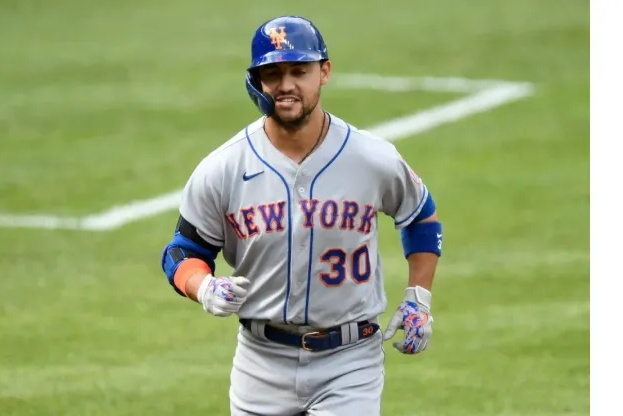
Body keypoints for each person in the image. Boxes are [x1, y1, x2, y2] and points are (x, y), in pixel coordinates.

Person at [160, 15, 443, 416]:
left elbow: (421, 217)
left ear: (323, 72)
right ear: (256, 81)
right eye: (272, 73)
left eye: (299, 70)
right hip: (261, 362)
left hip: (350, 362)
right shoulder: (222, 168)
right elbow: (181, 252)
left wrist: (418, 299)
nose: (286, 84)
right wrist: (203, 287)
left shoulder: (371, 158)